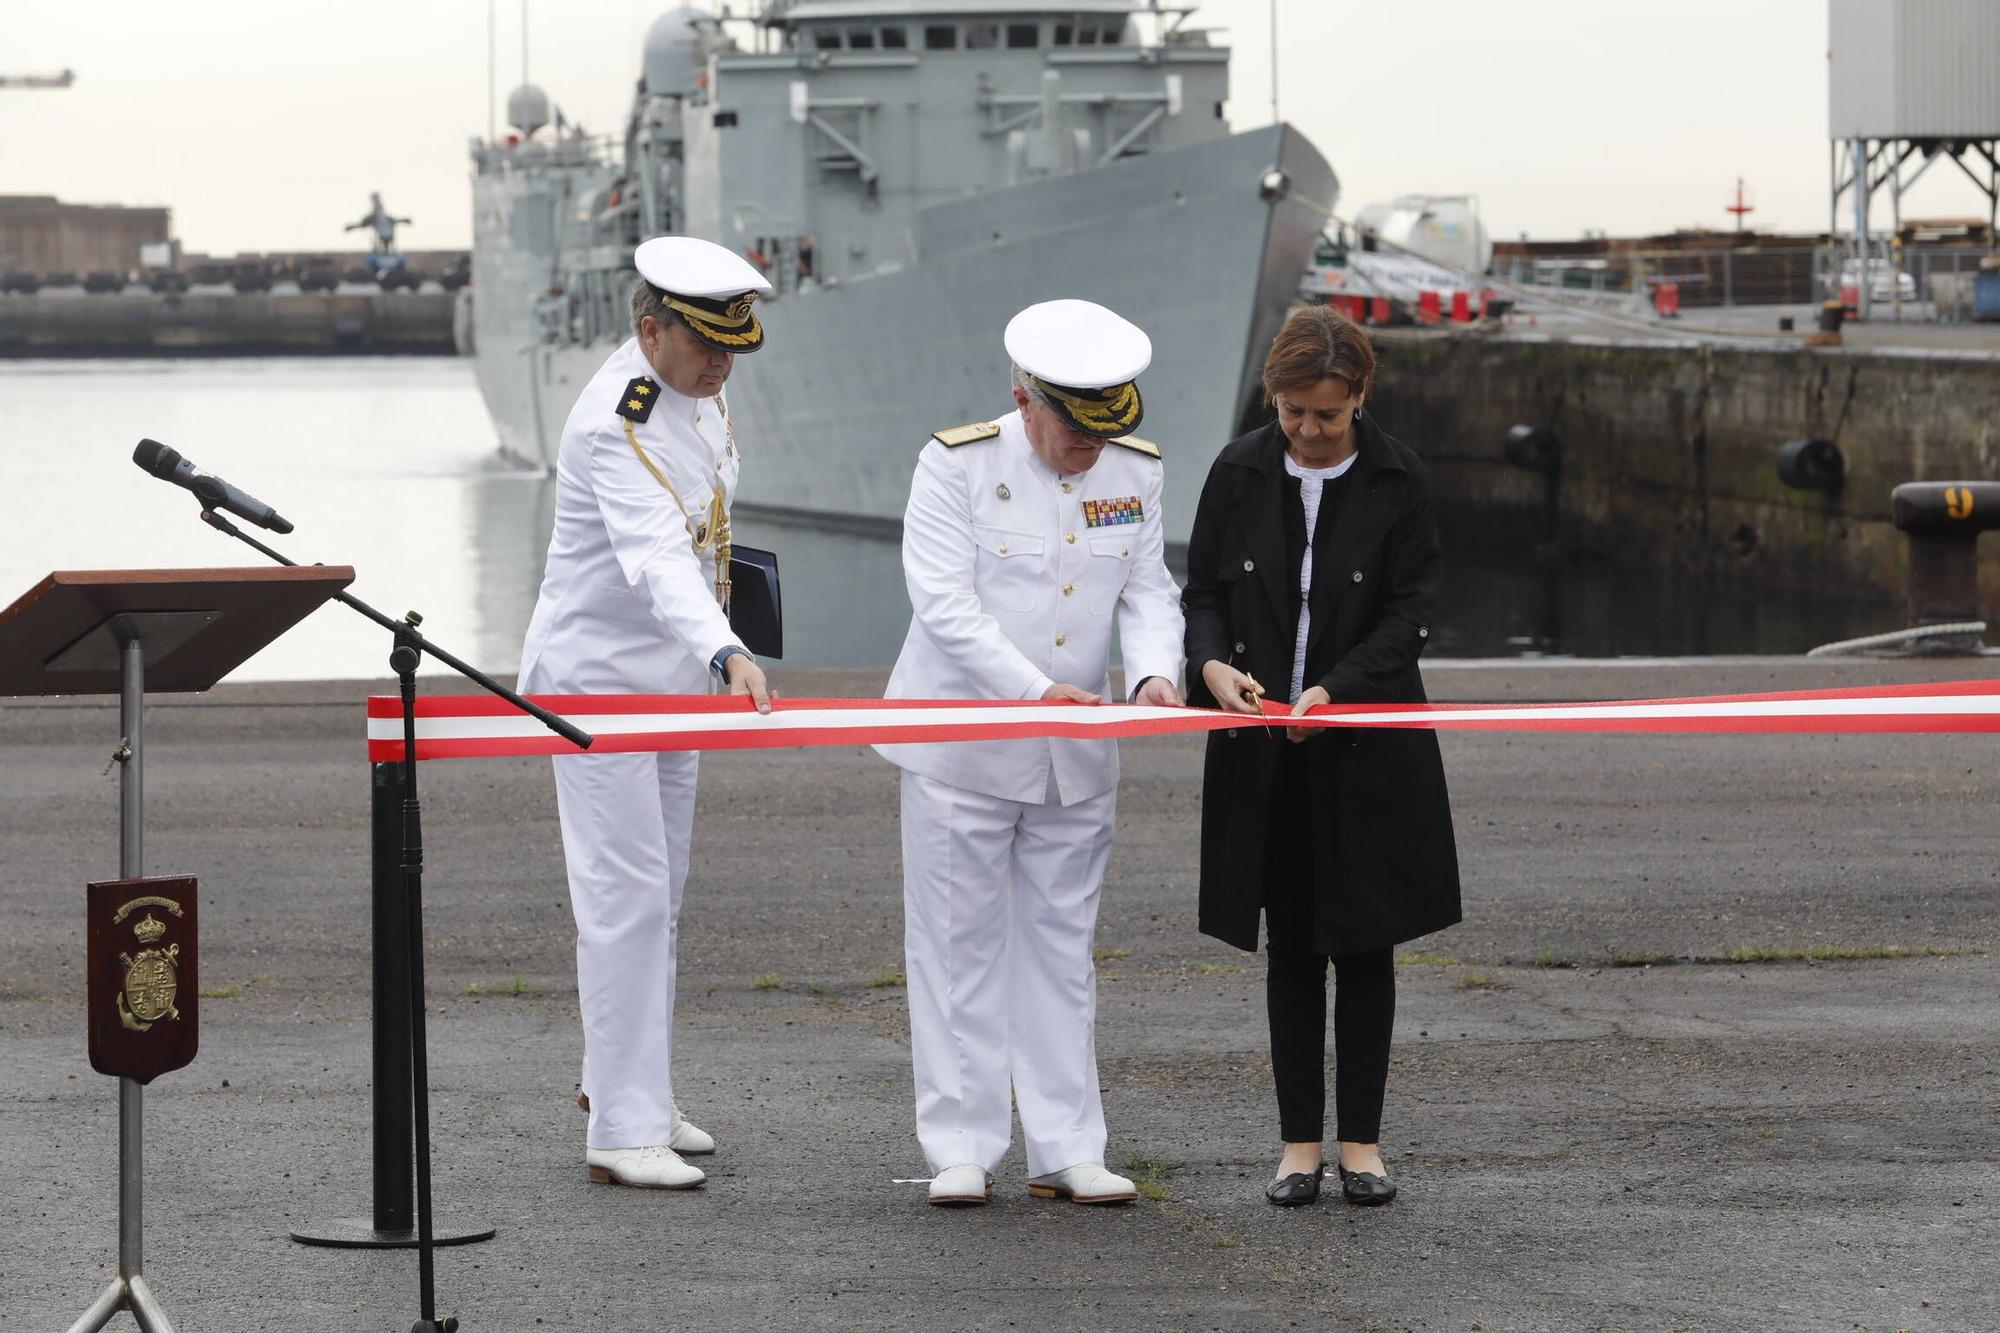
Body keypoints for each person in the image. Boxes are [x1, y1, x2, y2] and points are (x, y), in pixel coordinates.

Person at [877, 299, 1186, 1207]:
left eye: (1104, 425)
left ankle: (1065, 1143)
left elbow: (1147, 585)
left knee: (1063, 948)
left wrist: (1154, 677)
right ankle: (962, 1142)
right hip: (962, 745)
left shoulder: (1132, 467)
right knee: (955, 945)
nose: (1090, 447)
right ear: (1022, 396)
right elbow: (943, 601)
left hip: (1078, 752)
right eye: (1071, 426)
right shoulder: (956, 464)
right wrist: (1031, 690)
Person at [1181, 306, 1461, 1209]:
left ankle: (1364, 1145)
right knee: (1293, 947)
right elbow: (1205, 593)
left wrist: (1335, 690)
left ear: (1360, 398)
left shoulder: (1399, 477)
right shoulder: (1237, 470)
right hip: (1264, 743)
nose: (1307, 431)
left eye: (1326, 416)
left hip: (1364, 740)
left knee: (1365, 943)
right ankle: (1300, 1145)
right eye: (1294, 412)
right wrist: (1212, 665)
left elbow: (1409, 613)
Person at [518, 235, 776, 1190]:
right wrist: (728, 647)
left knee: (659, 893)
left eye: (735, 344)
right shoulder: (611, 423)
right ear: (649, 329)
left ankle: (633, 1087)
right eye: (707, 344)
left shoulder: (699, 397)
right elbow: (656, 558)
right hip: (600, 684)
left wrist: (706, 655)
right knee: (623, 896)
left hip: (670, 678)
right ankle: (621, 1129)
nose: (723, 362)